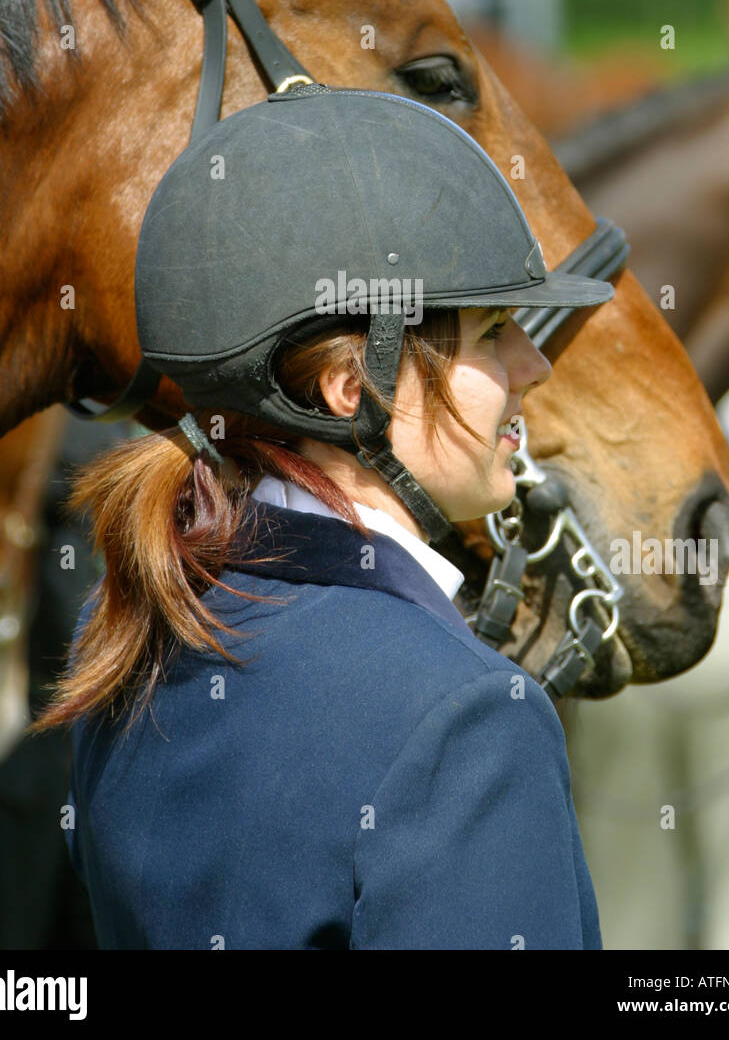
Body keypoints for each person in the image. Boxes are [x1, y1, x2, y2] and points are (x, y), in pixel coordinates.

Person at [31, 81, 613, 950]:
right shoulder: (469, 719)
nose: (534, 364)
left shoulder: (120, 625)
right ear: (354, 389)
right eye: (492, 331)